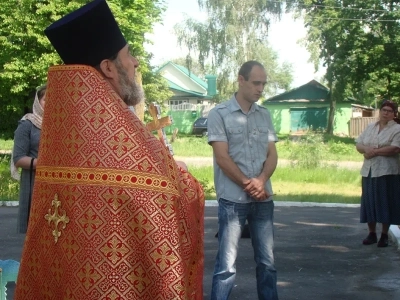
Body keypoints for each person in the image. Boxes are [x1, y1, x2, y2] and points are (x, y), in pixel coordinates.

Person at [14, 0, 204, 299]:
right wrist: (182, 176)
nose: (136, 62)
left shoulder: (64, 131)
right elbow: (170, 199)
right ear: (107, 67)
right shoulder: (119, 139)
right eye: (129, 55)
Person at [208, 60, 279, 300]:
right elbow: (222, 157)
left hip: (263, 200)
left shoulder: (265, 115)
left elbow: (272, 155)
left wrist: (261, 180)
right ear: (241, 80)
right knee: (226, 266)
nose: (260, 89)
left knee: (267, 263)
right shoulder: (219, 114)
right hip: (232, 201)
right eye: (256, 83)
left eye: (263, 84)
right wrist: (250, 184)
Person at [356, 99, 400, 248]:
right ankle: (372, 233)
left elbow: (395, 148)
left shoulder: (397, 129)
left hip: (386, 172)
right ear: (379, 111)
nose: (386, 113)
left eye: (389, 111)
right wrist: (365, 149)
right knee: (369, 202)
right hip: (369, 170)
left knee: (384, 202)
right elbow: (359, 144)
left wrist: (373, 151)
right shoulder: (370, 127)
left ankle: (384, 235)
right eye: (384, 110)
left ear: (394, 114)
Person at [11, 84, 46, 233]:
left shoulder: (61, 125)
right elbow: (18, 158)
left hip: (55, 183)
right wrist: (45, 165)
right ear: (38, 102)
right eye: (46, 100)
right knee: (33, 230)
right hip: (33, 182)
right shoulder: (27, 125)